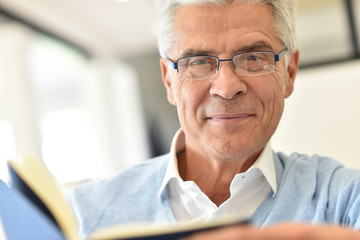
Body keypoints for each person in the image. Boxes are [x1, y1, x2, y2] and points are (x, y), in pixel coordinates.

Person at [69, 0, 360, 239]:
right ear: (169, 81)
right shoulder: (84, 217)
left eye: (253, 57)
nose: (226, 87)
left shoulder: (344, 202)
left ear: (290, 72)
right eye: (197, 62)